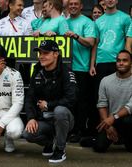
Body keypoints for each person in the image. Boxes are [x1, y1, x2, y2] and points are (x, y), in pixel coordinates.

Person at [22, 40, 77, 163]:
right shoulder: (37, 70)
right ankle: (50, 142)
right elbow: (30, 97)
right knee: (27, 134)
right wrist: (31, 118)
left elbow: (71, 99)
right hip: (45, 119)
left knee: (60, 111)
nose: (41, 56)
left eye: (46, 53)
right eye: (40, 53)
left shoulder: (67, 72)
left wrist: (48, 105)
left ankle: (60, 149)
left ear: (56, 54)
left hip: (65, 119)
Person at [65, 0, 96, 143]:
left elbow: (90, 42)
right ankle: (69, 130)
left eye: (76, 4)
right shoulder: (64, 22)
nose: (73, 6)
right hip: (66, 68)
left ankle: (79, 131)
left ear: (81, 6)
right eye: (70, 4)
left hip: (81, 68)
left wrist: (76, 36)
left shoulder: (88, 22)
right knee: (69, 102)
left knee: (81, 103)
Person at [93, 50, 132, 153]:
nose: (121, 63)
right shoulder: (106, 80)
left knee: (127, 120)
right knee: (99, 147)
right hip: (111, 121)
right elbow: (102, 104)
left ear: (131, 63)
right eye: (118, 60)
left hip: (128, 121)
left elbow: (130, 106)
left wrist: (113, 118)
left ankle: (125, 140)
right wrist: (108, 126)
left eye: (125, 60)